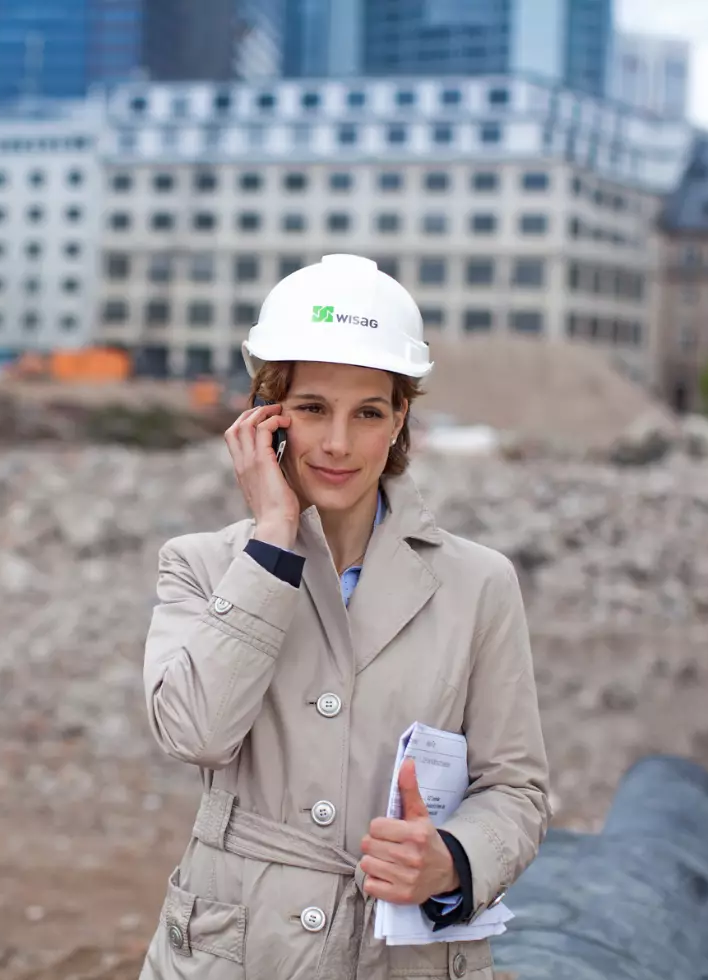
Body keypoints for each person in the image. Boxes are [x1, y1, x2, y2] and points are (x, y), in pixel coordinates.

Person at [139, 254, 550, 980]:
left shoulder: (478, 584)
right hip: (234, 953)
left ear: (400, 425)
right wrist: (272, 535)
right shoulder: (201, 566)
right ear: (266, 419)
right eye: (312, 409)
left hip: (401, 956)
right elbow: (195, 733)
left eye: (368, 413)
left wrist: (453, 860)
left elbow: (515, 789)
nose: (336, 443)